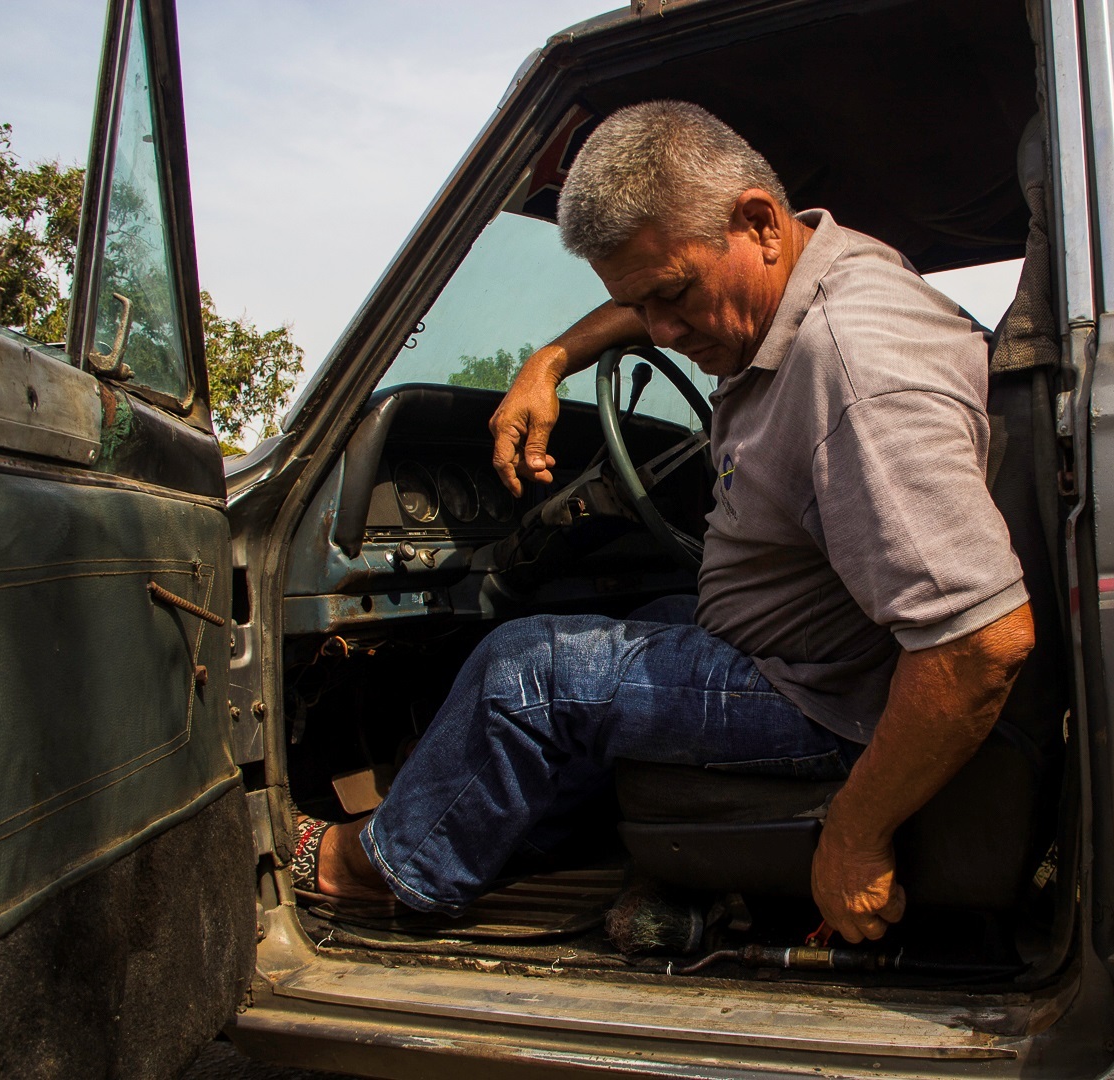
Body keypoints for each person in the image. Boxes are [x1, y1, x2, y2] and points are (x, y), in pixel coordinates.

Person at [294, 100, 1036, 944]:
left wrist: (855, 835)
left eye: (673, 299)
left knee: (524, 671)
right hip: (809, 650)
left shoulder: (852, 369)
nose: (664, 333)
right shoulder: (807, 270)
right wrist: (552, 359)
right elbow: (654, 291)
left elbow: (980, 642)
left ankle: (380, 870)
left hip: (831, 700)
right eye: (642, 307)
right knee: (615, 617)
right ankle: (513, 841)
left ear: (758, 222)